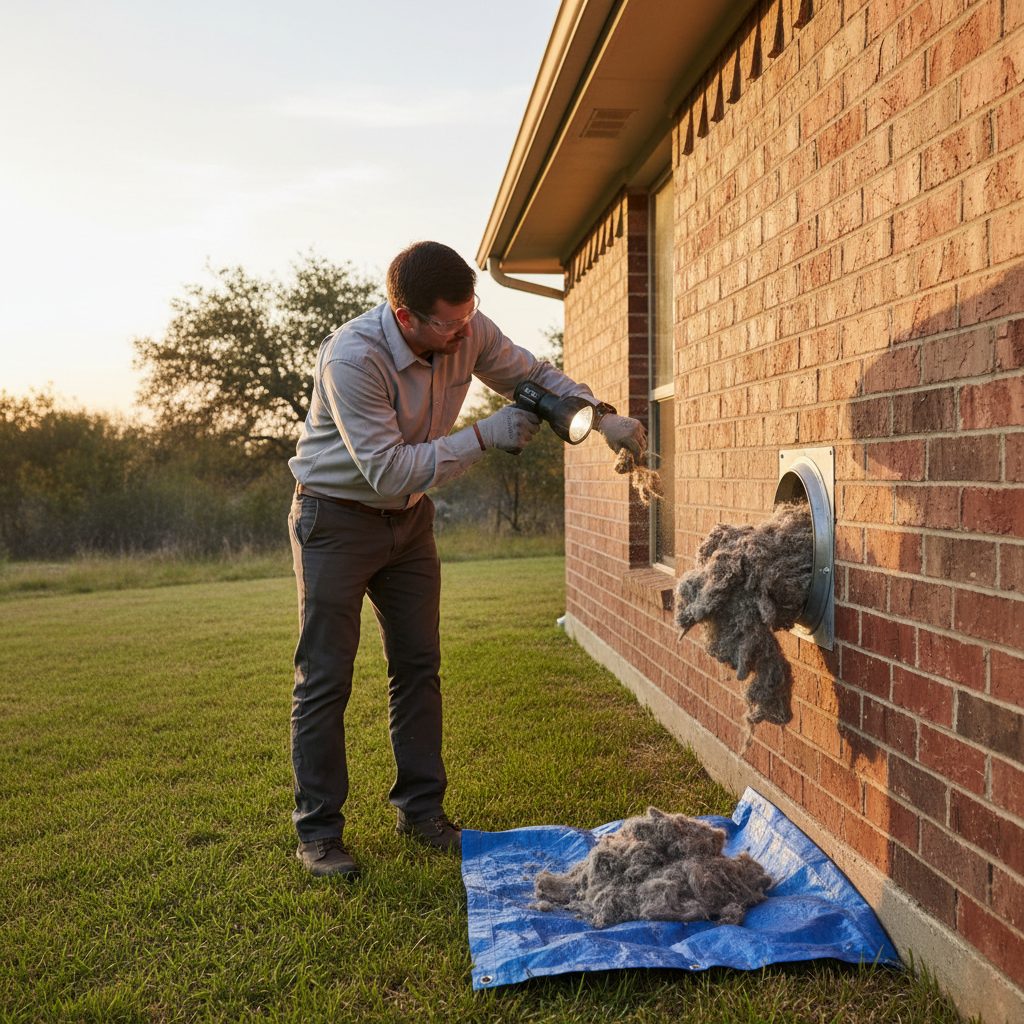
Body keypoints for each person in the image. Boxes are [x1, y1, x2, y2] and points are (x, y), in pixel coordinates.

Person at [287, 240, 646, 878]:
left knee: (418, 666)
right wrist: (486, 435)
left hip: (409, 524)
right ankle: (319, 835)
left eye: (469, 315)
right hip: (334, 519)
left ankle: (422, 814)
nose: (463, 334)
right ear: (405, 316)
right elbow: (386, 470)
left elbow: (534, 376)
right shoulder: (354, 357)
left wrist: (601, 417)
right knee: (325, 677)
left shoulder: (468, 329)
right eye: (448, 324)